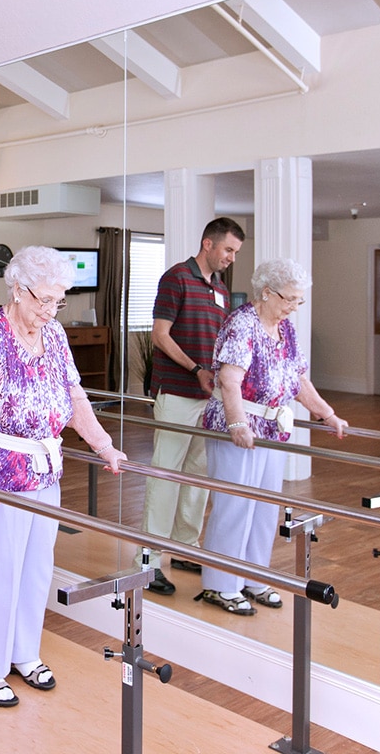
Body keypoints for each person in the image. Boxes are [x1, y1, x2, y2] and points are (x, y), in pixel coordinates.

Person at [0, 245, 125, 707]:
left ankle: (22, 652)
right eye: (43, 300)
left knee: (35, 569)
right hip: (0, 471)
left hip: (45, 469)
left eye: (58, 301)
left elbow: (75, 398)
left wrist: (104, 446)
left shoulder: (53, 335)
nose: (50, 310)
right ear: (16, 288)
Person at [196, 258, 347, 615]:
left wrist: (327, 414)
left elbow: (299, 382)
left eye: (299, 300)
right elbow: (229, 381)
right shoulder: (242, 324)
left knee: (265, 508)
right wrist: (237, 424)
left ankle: (253, 577)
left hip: (273, 428)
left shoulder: (286, 330)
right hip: (237, 426)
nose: (294, 307)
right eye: (289, 299)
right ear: (266, 292)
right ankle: (221, 584)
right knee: (234, 506)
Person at [139, 217, 245, 596]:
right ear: (208, 244)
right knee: (166, 475)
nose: (232, 258)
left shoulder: (219, 287)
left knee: (198, 476)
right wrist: (196, 368)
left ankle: (186, 547)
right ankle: (148, 563)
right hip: (178, 392)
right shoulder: (177, 278)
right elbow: (160, 336)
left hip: (208, 398)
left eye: (235, 252)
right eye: (228, 250)